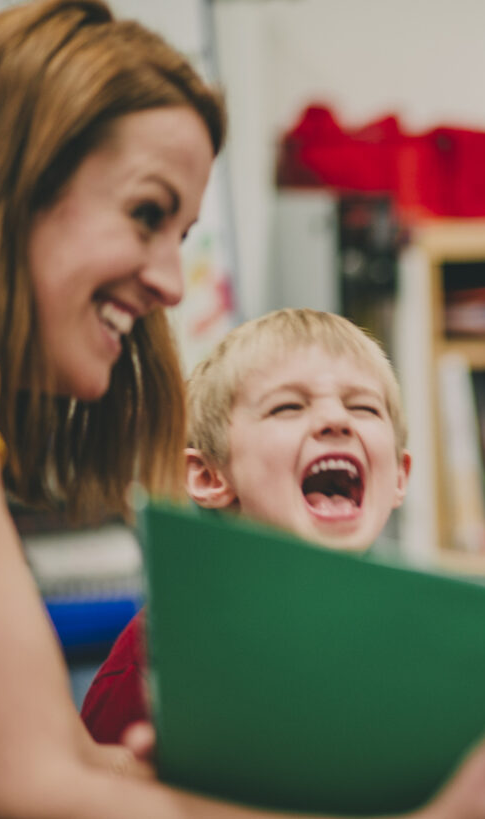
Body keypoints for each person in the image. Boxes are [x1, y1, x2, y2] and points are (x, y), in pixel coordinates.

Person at [0, 0, 485, 817]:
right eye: (146, 214)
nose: (171, 285)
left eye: (180, 236)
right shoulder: (155, 656)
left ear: (401, 472)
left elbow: (62, 764)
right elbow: (34, 789)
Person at [81, 308, 414, 743]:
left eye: (364, 406)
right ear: (209, 476)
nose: (337, 420)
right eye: (288, 406)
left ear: (400, 477)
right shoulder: (157, 661)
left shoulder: (416, 642)